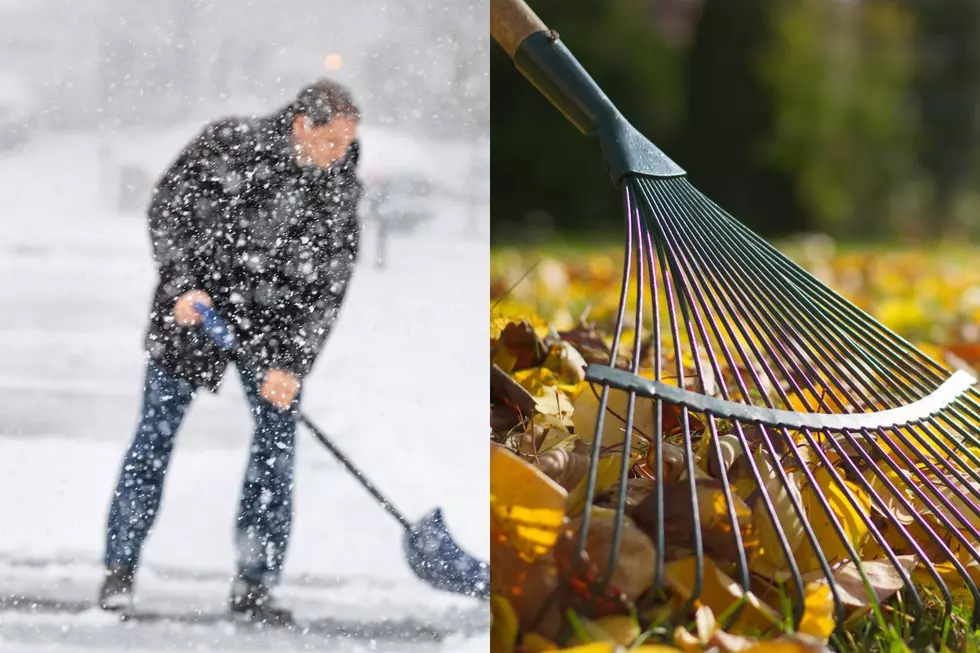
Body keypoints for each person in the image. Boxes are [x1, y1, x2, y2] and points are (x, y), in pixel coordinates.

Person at [98, 79, 363, 625]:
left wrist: (292, 364)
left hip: (274, 332)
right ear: (300, 126)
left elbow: (330, 285)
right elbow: (168, 207)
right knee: (154, 437)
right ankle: (119, 573)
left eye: (346, 144)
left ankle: (255, 585)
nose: (340, 156)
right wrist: (181, 283)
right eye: (332, 143)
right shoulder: (228, 144)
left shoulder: (338, 186)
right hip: (198, 312)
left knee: (275, 451)